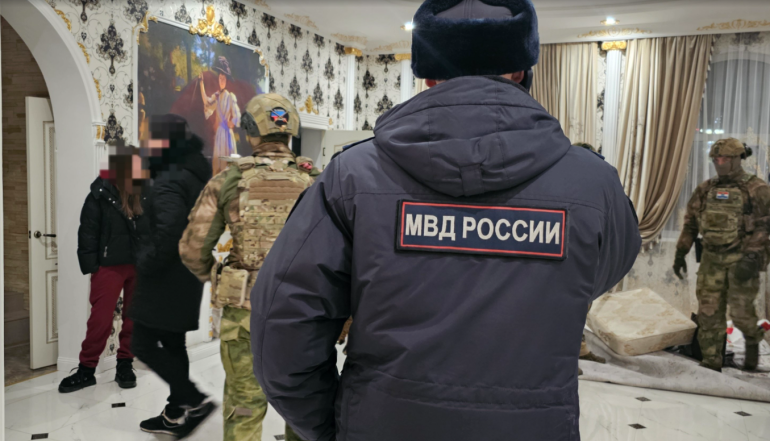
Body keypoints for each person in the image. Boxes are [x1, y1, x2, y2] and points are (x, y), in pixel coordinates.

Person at [249, 1, 641, 440]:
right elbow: (602, 270)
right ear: (519, 71)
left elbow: (283, 325)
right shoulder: (594, 185)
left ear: (429, 76)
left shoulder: (352, 177)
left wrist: (332, 425)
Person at [180, 94, 317, 441]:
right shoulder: (318, 180)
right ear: (291, 132)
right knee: (302, 407)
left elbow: (193, 249)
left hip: (245, 312)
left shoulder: (228, 179)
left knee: (244, 404)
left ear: (250, 132)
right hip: (305, 312)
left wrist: (220, 277)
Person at [130, 115, 216, 438]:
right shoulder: (192, 174)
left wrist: (145, 262)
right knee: (172, 342)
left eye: (148, 137)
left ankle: (194, 399)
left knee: (141, 343)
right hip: (185, 278)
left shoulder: (170, 178)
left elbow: (169, 233)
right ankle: (176, 412)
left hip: (164, 279)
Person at [674, 138, 769, 372]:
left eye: (725, 158)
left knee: (741, 314)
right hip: (711, 261)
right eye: (716, 159)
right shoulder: (706, 189)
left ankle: (753, 346)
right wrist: (681, 252)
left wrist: (752, 256)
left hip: (742, 260)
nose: (720, 163)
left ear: (738, 159)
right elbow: (691, 223)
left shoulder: (757, 189)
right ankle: (711, 362)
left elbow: (765, 226)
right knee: (708, 314)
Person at [59, 144, 143, 393]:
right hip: (109, 266)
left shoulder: (144, 193)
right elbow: (87, 232)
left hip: (139, 265)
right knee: (101, 319)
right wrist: (92, 267)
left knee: (134, 319)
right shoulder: (99, 194)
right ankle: (86, 370)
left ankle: (125, 365)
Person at [200, 56, 241, 175]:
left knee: (228, 166)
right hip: (219, 135)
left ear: (226, 80)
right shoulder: (217, 96)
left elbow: (237, 115)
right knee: (217, 165)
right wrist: (201, 83)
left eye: (223, 78)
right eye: (220, 77)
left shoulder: (230, 96)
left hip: (227, 135)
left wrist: (232, 122)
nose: (221, 80)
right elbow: (207, 102)